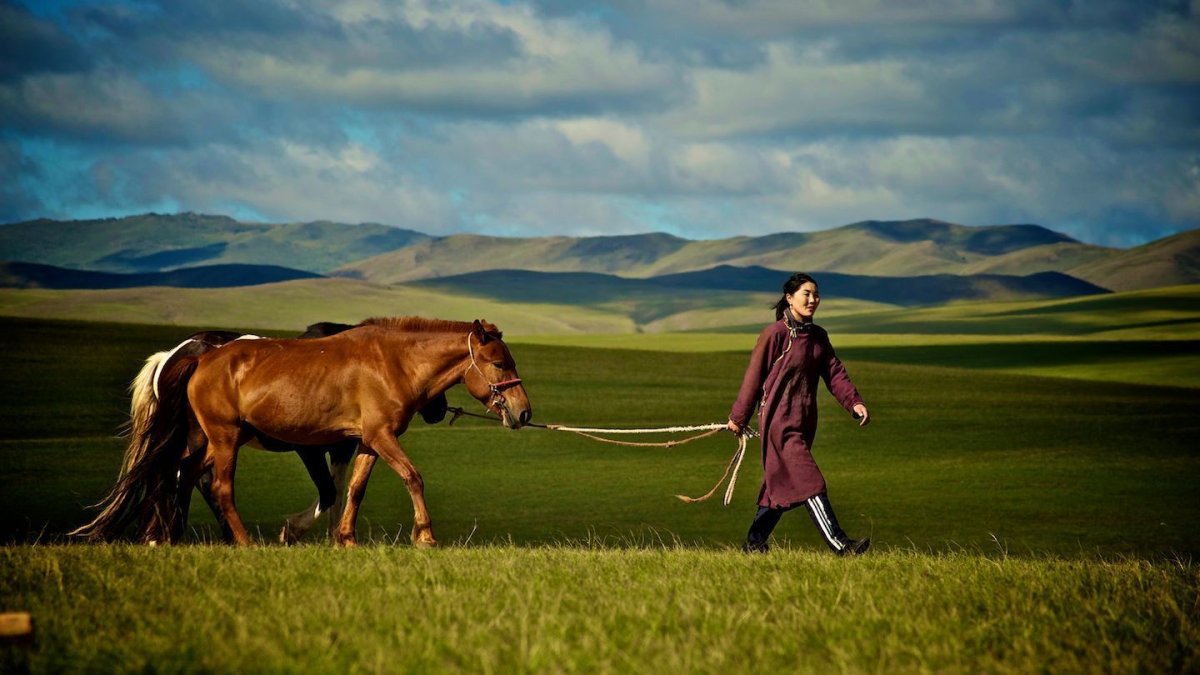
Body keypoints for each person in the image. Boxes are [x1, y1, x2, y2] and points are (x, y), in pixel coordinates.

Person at [727, 272, 871, 555]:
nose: (813, 299)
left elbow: (834, 373)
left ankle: (754, 545)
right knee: (810, 481)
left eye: (816, 294)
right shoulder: (775, 335)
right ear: (789, 298)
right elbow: (753, 378)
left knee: (777, 488)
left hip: (804, 424)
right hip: (779, 425)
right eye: (806, 293)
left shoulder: (818, 337)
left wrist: (854, 402)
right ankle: (841, 545)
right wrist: (738, 417)